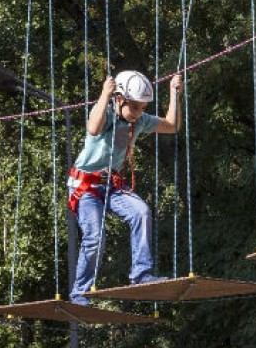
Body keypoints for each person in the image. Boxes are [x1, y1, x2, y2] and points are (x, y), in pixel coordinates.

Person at [67, 70, 182, 306]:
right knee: (95, 236)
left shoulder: (138, 120)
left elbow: (171, 126)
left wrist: (174, 93)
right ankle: (79, 293)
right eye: (135, 107)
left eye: (142, 108)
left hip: (112, 186)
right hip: (86, 186)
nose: (139, 113)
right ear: (119, 99)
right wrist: (104, 94)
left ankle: (141, 274)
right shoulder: (106, 113)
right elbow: (93, 128)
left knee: (141, 212)